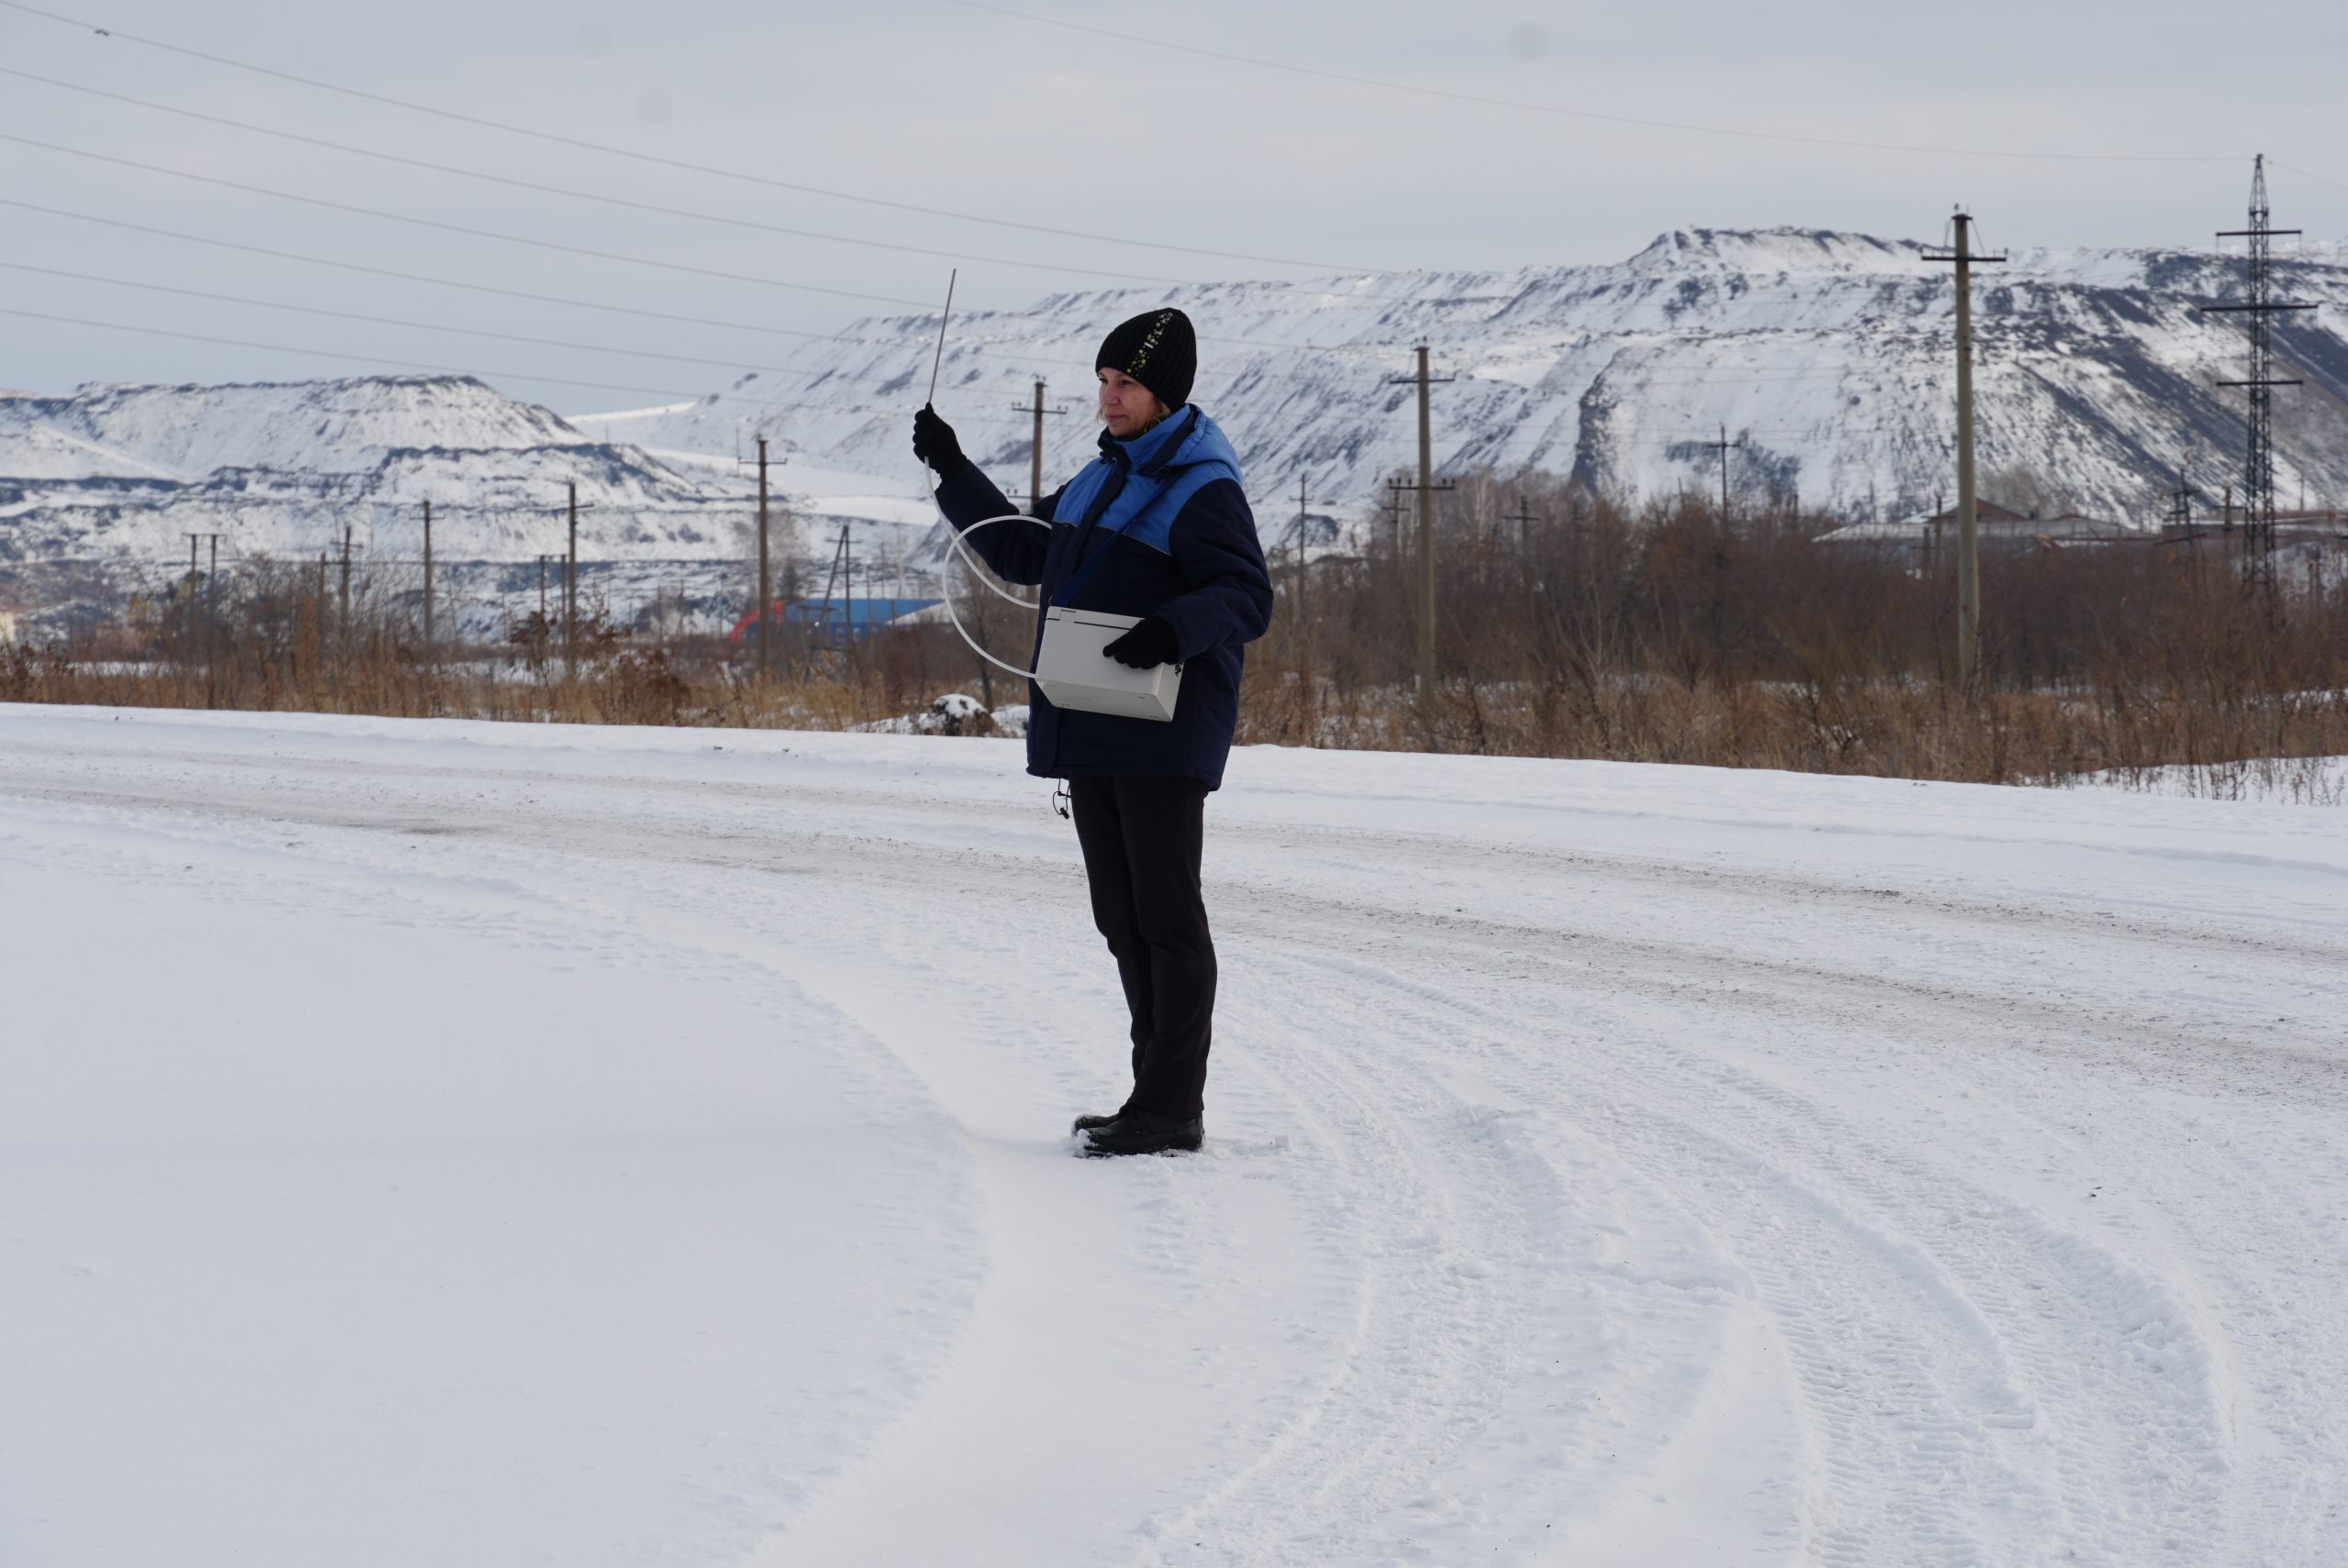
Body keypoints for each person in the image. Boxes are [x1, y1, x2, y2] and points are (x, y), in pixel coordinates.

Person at [913, 307, 1273, 1157]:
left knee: (1166, 920)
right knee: (1121, 916)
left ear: (1167, 394)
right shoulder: (1100, 475)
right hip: (1099, 723)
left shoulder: (1199, 485)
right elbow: (1020, 552)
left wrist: (1170, 628)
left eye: (1128, 386)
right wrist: (952, 468)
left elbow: (1247, 597)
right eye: (1105, 383)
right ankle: (1152, 1097)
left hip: (1160, 728)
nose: (1109, 399)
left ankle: (1172, 1108)